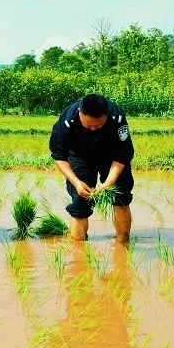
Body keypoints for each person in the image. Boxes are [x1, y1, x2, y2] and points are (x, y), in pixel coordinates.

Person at [49, 93, 134, 242]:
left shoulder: (117, 118)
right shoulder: (67, 120)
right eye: (88, 125)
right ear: (80, 113)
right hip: (80, 156)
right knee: (80, 203)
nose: (93, 129)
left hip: (111, 155)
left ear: (106, 114)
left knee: (120, 197)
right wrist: (76, 182)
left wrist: (109, 183)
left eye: (99, 125)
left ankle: (123, 243)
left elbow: (123, 154)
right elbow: (59, 156)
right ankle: (78, 250)